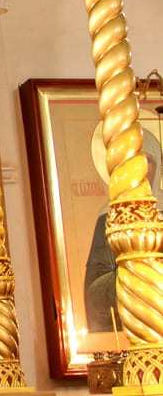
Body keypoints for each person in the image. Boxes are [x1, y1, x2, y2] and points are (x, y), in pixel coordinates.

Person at [84, 129, 163, 332]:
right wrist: (132, 275)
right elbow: (94, 289)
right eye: (132, 161)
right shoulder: (108, 215)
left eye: (147, 160)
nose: (141, 168)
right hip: (128, 316)